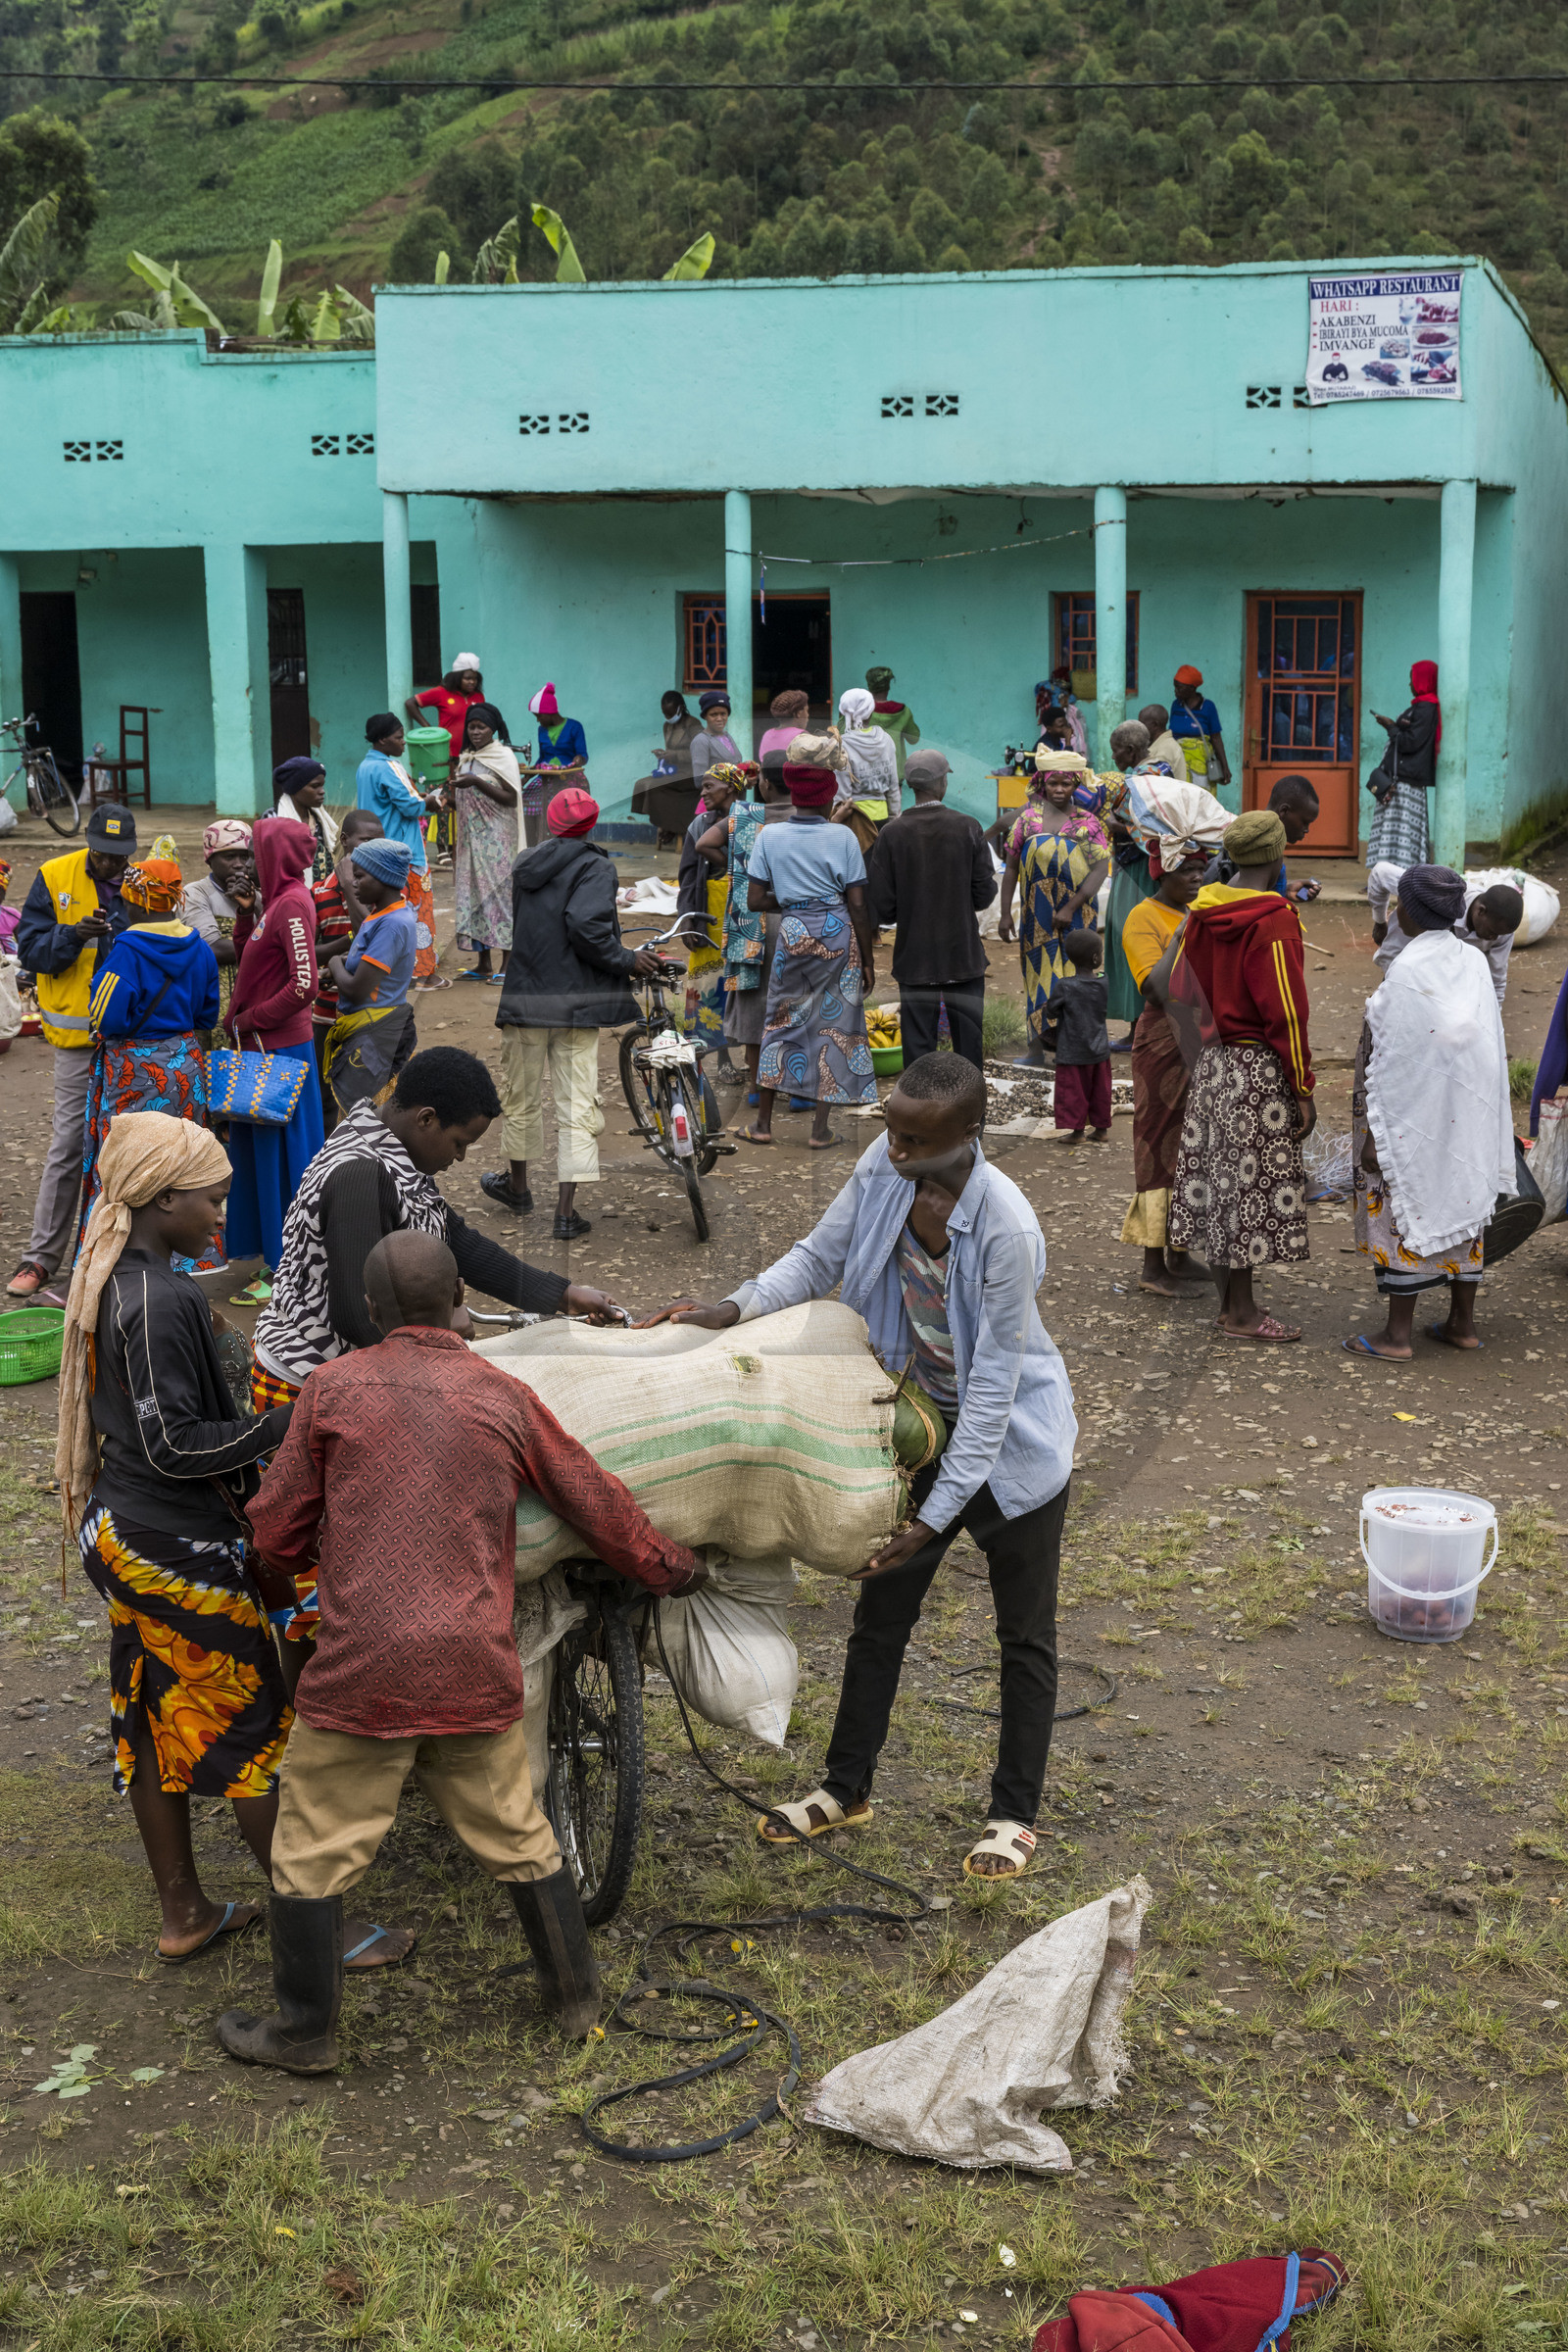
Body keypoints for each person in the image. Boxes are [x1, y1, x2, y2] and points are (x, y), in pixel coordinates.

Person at [219, 1229, 706, 2074]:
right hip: (471, 1667)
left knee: (312, 1846)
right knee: (518, 1831)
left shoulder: (331, 1391)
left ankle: (304, 2032)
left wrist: (281, 1570)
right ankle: (576, 2002)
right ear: (459, 1308)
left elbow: (278, 1528)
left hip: (361, 1674)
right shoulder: (502, 1395)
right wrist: (669, 1566)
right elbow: (593, 1498)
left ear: (370, 1312)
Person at [639, 1052, 1078, 1882]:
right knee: (881, 1616)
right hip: (911, 1427)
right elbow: (816, 1258)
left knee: (1024, 1638)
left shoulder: (1009, 1228)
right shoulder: (884, 1167)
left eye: (916, 1139)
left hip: (1014, 1448)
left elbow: (991, 1397)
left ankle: (1013, 1816)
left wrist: (931, 1519)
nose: (896, 1150)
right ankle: (847, 1787)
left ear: (967, 1136)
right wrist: (728, 1308)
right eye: (893, 1129)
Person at [56, 1114, 296, 1961]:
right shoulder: (157, 1298)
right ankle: (321, 1941)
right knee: (252, 1727)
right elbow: (171, 1444)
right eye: (213, 1198)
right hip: (170, 1548)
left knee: (151, 1716)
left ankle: (186, 1912)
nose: (222, 1215)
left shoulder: (122, 1275)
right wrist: (283, 1428)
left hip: (123, 1533)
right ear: (162, 1200)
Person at [250, 1047, 620, 1409]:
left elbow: (458, 1243)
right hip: (308, 1385)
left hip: (361, 1370)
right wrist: (435, 1336)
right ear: (426, 1119)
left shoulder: (393, 1154)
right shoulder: (360, 1174)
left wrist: (564, 1294)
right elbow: (355, 1314)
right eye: (459, 1143)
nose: (459, 1158)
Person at [483, 787, 672, 1239]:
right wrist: (628, 960)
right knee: (575, 1105)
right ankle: (565, 1213)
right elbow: (586, 928)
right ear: (589, 827)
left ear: (551, 825)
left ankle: (518, 1187)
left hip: (527, 997)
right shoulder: (597, 866)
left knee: (521, 1098)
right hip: (574, 1003)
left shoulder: (526, 864)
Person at [1347, 864, 1513, 1360]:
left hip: (1412, 1113)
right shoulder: (1473, 962)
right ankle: (1462, 1323)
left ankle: (1397, 1335)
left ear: (1409, 913)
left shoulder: (1410, 969)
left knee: (1406, 1196)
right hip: (1465, 1109)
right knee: (1461, 1189)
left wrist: (1377, 1134)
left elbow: (1393, 1056)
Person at [1165, 809, 1315, 1344]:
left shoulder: (1200, 912)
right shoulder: (1275, 920)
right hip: (1256, 1068)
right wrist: (1302, 1086)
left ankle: (1232, 1305)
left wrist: (1206, 1050)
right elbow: (1287, 1012)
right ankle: (1242, 1314)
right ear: (1276, 856)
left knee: (1223, 1184)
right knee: (1248, 1190)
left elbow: (1180, 989)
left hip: (1214, 1063)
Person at [8, 806, 137, 1300]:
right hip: (76, 1043)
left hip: (133, 1043)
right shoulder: (54, 875)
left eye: (119, 857)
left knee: (126, 1148)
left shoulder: (141, 881)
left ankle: (120, 1256)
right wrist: (73, 935)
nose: (110, 865)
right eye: (103, 856)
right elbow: (31, 949)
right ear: (88, 844)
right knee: (68, 1147)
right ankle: (41, 1258)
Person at [79, 854, 223, 1271]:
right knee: (181, 1159)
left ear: (137, 903)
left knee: (127, 1163)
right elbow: (206, 1016)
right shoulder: (199, 948)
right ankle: (184, 1261)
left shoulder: (126, 951)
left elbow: (104, 1017)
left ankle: (120, 1257)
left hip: (134, 1073)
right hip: (184, 1067)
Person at [743, 754, 879, 1151]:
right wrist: (868, 960)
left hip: (792, 933)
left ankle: (763, 1125)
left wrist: (792, 903)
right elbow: (857, 904)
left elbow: (754, 900)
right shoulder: (843, 838)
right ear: (828, 796)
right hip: (837, 934)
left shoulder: (769, 836)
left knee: (780, 1020)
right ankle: (820, 1132)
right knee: (836, 1024)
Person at [221, 819, 325, 1302]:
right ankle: (274, 1257)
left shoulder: (291, 905)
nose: (250, 864)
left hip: (279, 1050)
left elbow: (305, 983)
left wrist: (253, 1020)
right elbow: (258, 963)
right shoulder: (276, 904)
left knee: (284, 1162)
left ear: (275, 857)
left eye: (257, 853)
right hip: (264, 1047)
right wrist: (246, 916)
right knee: (262, 1159)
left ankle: (289, 1270)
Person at [865, 748, 996, 1072]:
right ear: (941, 783)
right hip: (963, 956)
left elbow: (881, 906)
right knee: (968, 1045)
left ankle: (921, 1118)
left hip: (914, 957)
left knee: (919, 1046)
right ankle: (970, 1117)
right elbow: (984, 894)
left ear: (911, 785)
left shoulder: (891, 833)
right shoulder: (968, 827)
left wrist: (909, 909)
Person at [1118, 847, 1210, 1297]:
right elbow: (1154, 988)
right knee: (1156, 1143)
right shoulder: (1143, 917)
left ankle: (1180, 1253)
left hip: (1198, 1034)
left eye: (1200, 870)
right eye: (1185, 870)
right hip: (1161, 1039)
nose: (1195, 878)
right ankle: (1152, 1266)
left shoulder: (1201, 912)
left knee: (1190, 1144)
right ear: (1161, 873)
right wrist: (1182, 934)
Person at [997, 750, 1109, 1066]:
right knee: (1036, 973)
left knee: (1078, 976)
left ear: (1076, 785)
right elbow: (1012, 868)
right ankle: (1035, 1049)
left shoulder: (1087, 823)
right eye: (1053, 783)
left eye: (1066, 784)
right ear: (1042, 783)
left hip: (1079, 916)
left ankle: (1075, 1049)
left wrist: (1071, 907)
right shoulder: (1027, 820)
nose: (1059, 790)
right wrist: (1006, 913)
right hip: (1037, 916)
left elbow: (1100, 869)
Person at [703, 758, 793, 1105]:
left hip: (751, 921)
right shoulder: (807, 816)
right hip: (794, 921)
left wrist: (738, 867)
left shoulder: (747, 815)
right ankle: (795, 1088)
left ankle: (755, 1089)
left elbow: (704, 843)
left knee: (754, 1004)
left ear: (765, 784)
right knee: (794, 1003)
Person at [320, 836, 419, 1117]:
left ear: (383, 878)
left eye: (360, 876)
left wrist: (333, 961)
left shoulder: (392, 924)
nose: (352, 883)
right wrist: (339, 968)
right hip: (371, 1031)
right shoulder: (381, 915)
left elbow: (355, 990)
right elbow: (361, 966)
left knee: (363, 1121)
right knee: (362, 1117)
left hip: (375, 1037)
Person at [356, 713, 443, 989]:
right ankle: (423, 974)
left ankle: (391, 974)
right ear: (383, 740)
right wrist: (431, 801)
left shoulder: (364, 767)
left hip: (376, 852)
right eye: (398, 737)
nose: (403, 742)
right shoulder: (388, 766)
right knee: (417, 914)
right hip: (404, 854)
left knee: (387, 914)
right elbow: (411, 805)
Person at [310, 809, 381, 1125]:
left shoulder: (384, 892)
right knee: (324, 1099)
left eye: (378, 842)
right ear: (345, 841)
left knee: (368, 1101)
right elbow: (308, 954)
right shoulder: (318, 894)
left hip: (373, 1011)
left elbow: (368, 937)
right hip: (326, 1013)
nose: (372, 848)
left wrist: (352, 885)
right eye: (365, 841)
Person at [1367, 868, 1521, 1007]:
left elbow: (1497, 976)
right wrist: (1380, 922)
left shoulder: (1500, 930)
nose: (1493, 937)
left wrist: (1493, 1014)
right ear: (1481, 911)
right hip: (1399, 957)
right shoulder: (1434, 891)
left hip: (1439, 979)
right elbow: (1381, 872)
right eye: (1492, 931)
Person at [679, 764, 745, 1086]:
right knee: (707, 987)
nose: (703, 793)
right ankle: (709, 1057)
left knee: (738, 984)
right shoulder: (699, 825)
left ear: (731, 788)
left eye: (709, 786)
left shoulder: (751, 821)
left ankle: (738, 1055)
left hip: (743, 914)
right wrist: (689, 919)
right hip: (710, 916)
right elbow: (688, 877)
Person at [451, 701, 521, 983]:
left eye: (482, 727)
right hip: (469, 841)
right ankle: (483, 964)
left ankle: (508, 962)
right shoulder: (465, 757)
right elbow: (465, 799)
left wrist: (477, 782)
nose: (476, 732)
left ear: (493, 729)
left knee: (499, 896)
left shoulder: (503, 756)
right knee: (474, 899)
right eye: (472, 726)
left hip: (496, 840)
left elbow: (511, 798)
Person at [1102, 719, 1160, 1043]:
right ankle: (1138, 1026)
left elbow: (1146, 828)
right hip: (1138, 866)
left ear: (1131, 750)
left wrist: (1112, 824)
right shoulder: (1159, 771)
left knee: (1132, 940)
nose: (1113, 758)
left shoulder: (1142, 780)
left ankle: (1138, 1028)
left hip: (1138, 867)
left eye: (1115, 751)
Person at [181, 819, 258, 1021]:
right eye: (230, 857)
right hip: (212, 998)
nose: (240, 864)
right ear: (209, 859)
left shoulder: (259, 893)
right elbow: (212, 948)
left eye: (245, 856)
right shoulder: (196, 893)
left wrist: (252, 904)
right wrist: (270, 948)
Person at [1202, 776, 1322, 903]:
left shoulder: (1270, 850)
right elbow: (1250, 901)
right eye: (1305, 822)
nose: (1306, 830)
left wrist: (1286, 891)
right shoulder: (1252, 850)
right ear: (1284, 811)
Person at [1367, 661, 1441, 866]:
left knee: (1403, 832)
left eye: (1412, 679)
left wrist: (1391, 727)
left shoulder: (1426, 708)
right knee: (1391, 831)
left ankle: (1402, 876)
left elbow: (1411, 742)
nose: (1410, 684)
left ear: (1423, 680)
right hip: (1399, 779)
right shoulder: (1420, 706)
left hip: (1407, 782)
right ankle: (1384, 875)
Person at [1046, 930, 1111, 1143]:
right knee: (1100, 1090)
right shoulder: (1104, 981)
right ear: (1095, 958)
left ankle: (1077, 1133)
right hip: (1100, 1049)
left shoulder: (1065, 985)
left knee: (1074, 1092)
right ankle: (1101, 1130)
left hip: (1072, 1051)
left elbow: (1052, 1011)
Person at [833, 685, 900, 850]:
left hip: (855, 819)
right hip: (883, 817)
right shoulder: (886, 739)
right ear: (871, 712)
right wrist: (894, 820)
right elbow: (893, 786)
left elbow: (842, 795)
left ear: (843, 712)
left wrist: (835, 822)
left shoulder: (841, 745)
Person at [632, 689, 704, 841]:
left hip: (691, 774)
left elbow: (701, 752)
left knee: (657, 787)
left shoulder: (693, 724)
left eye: (670, 713)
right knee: (642, 784)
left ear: (681, 707)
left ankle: (672, 828)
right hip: (674, 772)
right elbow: (671, 751)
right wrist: (663, 754)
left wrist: (674, 755)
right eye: (665, 714)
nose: (668, 717)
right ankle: (668, 825)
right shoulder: (667, 726)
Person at [406, 654, 498, 766]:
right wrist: (429, 729)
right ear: (457, 678)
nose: (472, 682)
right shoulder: (441, 693)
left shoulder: (478, 696)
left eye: (475, 679)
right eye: (468, 678)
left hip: (472, 753)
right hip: (446, 754)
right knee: (448, 783)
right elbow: (410, 703)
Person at [267, 758, 337, 888]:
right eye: (315, 786)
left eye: (322, 785)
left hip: (321, 892)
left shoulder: (319, 819)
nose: (322, 791)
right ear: (295, 788)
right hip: (289, 892)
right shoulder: (273, 818)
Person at [1169, 665, 1231, 793]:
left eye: (1179, 687)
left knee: (1200, 798)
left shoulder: (1208, 707)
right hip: (1177, 763)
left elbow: (1216, 738)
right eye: (1175, 686)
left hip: (1200, 766)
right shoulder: (1176, 705)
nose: (1175, 691)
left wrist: (1225, 766)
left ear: (1192, 688)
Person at [864, 666, 921, 787]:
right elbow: (914, 738)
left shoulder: (861, 711)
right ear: (888, 687)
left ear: (869, 686)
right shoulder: (903, 712)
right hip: (894, 776)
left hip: (866, 775)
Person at [691, 692, 741, 793]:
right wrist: (731, 783)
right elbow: (699, 780)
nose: (719, 719)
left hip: (734, 799)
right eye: (713, 715)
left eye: (723, 714)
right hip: (717, 802)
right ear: (705, 716)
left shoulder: (727, 737)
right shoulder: (701, 741)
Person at [1137, 702, 1192, 782]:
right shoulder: (1160, 744)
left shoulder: (1164, 751)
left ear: (1155, 725)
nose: (1140, 729)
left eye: (1142, 725)